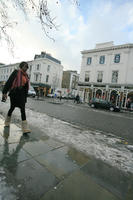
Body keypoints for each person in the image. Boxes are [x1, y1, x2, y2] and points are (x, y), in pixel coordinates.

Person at [2, 61, 31, 134]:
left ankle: (25, 128)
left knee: (23, 109)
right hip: (14, 94)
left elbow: (26, 87)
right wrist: (4, 92)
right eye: (25, 66)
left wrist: (25, 96)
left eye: (27, 67)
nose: (26, 68)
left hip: (22, 95)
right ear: (21, 66)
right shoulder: (16, 72)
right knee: (12, 108)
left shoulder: (26, 76)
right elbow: (9, 82)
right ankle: (7, 122)